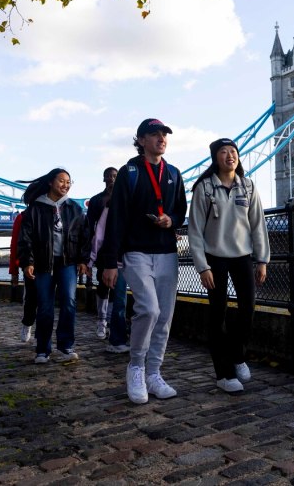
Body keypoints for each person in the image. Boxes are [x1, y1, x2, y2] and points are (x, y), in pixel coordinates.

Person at [100, 118, 187, 404]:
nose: (161, 138)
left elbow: (180, 211)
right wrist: (110, 261)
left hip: (166, 252)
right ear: (140, 140)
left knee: (164, 316)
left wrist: (170, 220)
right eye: (154, 134)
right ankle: (136, 367)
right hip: (136, 251)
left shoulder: (174, 172)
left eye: (164, 134)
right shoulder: (130, 172)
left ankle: (154, 373)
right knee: (148, 310)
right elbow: (117, 217)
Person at [187, 138, 270, 393]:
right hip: (215, 258)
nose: (229, 155)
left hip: (242, 256)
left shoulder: (248, 186)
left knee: (249, 308)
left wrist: (262, 259)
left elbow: (258, 225)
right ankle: (223, 373)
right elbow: (195, 230)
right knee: (218, 313)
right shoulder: (204, 188)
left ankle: (237, 355)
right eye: (223, 152)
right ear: (215, 158)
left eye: (233, 151)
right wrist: (202, 267)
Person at [17, 168, 89, 364]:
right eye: (61, 181)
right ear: (50, 182)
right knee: (45, 306)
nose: (65, 185)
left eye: (68, 182)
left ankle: (66, 346)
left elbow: (84, 236)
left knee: (69, 302)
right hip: (42, 264)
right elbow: (26, 239)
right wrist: (27, 262)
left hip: (67, 263)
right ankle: (43, 349)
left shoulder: (75, 209)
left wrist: (83, 260)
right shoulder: (35, 209)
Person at [86, 166, 131, 353]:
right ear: (104, 178)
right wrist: (89, 257)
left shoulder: (128, 198)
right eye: (109, 176)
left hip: (127, 254)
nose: (112, 179)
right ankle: (102, 320)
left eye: (115, 176)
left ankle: (115, 328)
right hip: (105, 254)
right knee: (104, 287)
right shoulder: (98, 201)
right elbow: (94, 229)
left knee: (119, 292)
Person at [9, 210, 38, 342]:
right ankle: (27, 323)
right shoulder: (22, 217)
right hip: (30, 263)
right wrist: (14, 271)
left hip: (51, 262)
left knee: (47, 300)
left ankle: (43, 335)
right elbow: (15, 244)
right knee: (31, 297)